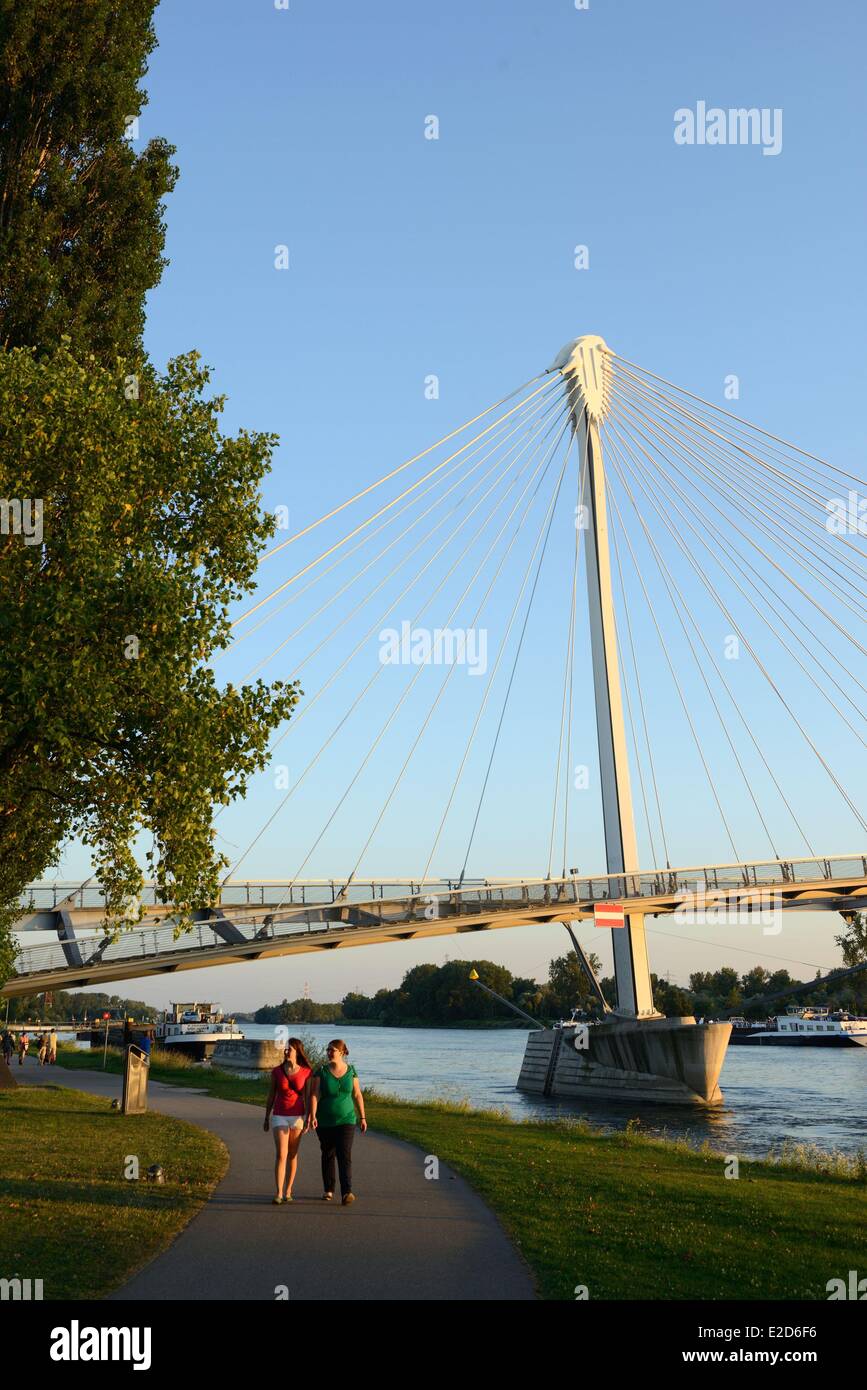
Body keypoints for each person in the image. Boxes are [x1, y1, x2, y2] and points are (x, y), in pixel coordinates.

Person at [308, 1039, 366, 1206]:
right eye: (327, 1050)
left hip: (347, 1119)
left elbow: (357, 1095)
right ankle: (329, 1189)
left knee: (344, 1154)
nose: (328, 1052)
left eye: (332, 1050)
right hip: (325, 1121)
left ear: (341, 1052)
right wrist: (312, 1116)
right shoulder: (322, 1071)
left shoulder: (352, 1071)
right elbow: (315, 1095)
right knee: (327, 1153)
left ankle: (347, 1192)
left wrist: (362, 1117)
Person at [264, 1038, 312, 1205]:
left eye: (289, 1049)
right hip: (280, 1115)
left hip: (298, 1116)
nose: (286, 1051)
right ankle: (279, 1192)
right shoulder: (277, 1071)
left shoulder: (306, 1072)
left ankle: (289, 1189)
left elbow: (307, 1096)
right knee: (281, 1154)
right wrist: (266, 1117)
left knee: (292, 1155)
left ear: (297, 1052)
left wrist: (309, 1117)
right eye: (285, 1049)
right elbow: (271, 1095)